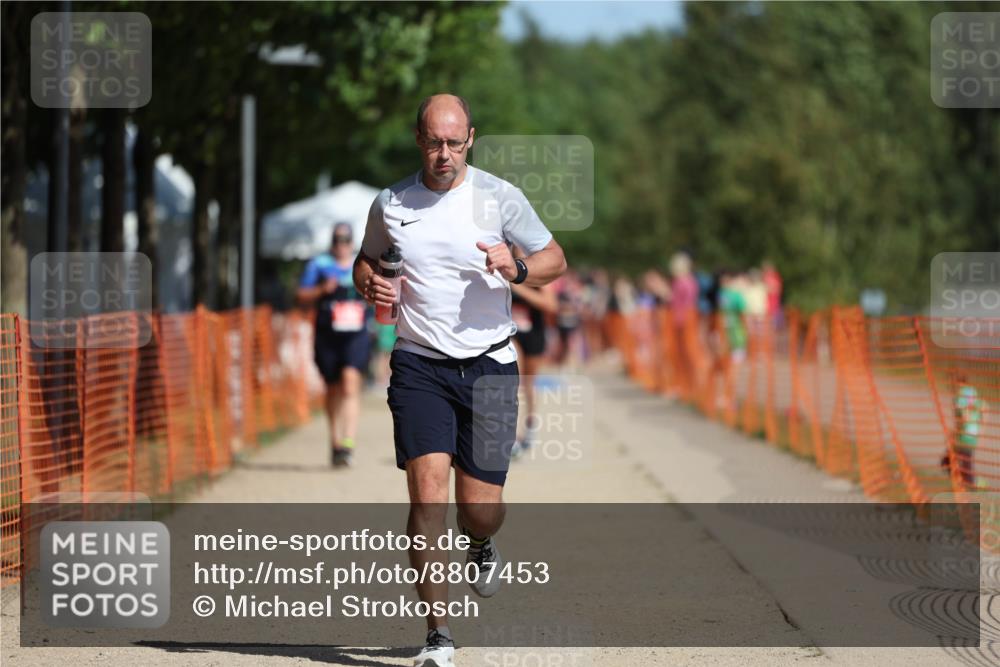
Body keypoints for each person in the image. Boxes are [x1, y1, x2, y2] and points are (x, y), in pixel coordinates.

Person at [354, 93, 567, 667]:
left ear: (471, 137)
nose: (442, 153)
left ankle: (481, 540)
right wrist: (369, 283)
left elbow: (555, 260)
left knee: (480, 509)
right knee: (427, 498)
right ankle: (438, 636)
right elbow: (367, 259)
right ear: (417, 139)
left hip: (491, 366)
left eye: (453, 142)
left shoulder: (500, 197)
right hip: (420, 364)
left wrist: (516, 266)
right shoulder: (392, 202)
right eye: (432, 141)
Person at [297, 222, 368, 467]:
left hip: (355, 335)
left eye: (346, 239)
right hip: (328, 335)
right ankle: (335, 440)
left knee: (350, 383)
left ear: (352, 242)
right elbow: (301, 295)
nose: (342, 244)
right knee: (333, 388)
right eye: (338, 239)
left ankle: (348, 442)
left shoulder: (362, 264)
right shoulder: (319, 265)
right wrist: (321, 289)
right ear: (332, 242)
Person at [508, 246, 559, 459]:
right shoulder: (504, 264)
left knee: (529, 384)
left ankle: (530, 427)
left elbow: (550, 305)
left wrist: (520, 288)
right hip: (511, 332)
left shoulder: (539, 269)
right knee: (514, 381)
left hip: (534, 332)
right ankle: (511, 436)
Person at [940, 373, 985, 489]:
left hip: (963, 437)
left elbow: (964, 418)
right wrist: (980, 429)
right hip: (972, 434)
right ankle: (969, 485)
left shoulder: (959, 396)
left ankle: (972, 486)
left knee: (948, 463)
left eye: (951, 384)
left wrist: (954, 433)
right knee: (965, 464)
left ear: (957, 383)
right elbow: (985, 408)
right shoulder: (973, 393)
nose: (950, 387)